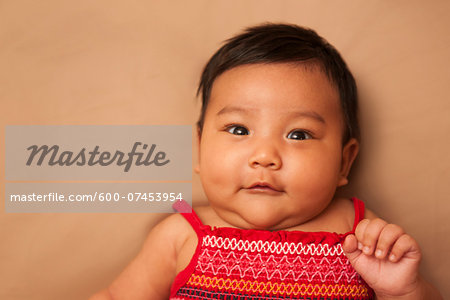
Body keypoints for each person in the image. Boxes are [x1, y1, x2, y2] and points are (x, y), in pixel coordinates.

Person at [90, 23, 442, 299]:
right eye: (238, 129)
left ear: (344, 163)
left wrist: (402, 291)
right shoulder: (180, 234)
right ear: (198, 149)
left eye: (299, 135)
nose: (264, 157)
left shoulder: (361, 231)